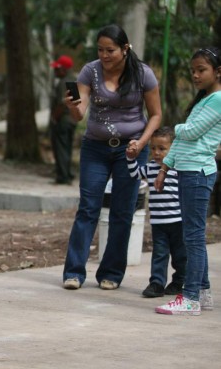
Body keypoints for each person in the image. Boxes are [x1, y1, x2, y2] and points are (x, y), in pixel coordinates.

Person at [62, 24, 162, 291]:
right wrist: (72, 107)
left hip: (131, 149)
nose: (104, 55)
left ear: (125, 49)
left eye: (110, 50)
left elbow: (155, 114)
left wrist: (142, 143)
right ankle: (73, 272)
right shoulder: (90, 71)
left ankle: (111, 273)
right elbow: (80, 113)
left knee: (122, 210)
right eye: (100, 50)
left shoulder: (143, 74)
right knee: (88, 208)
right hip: (95, 148)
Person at [154, 47, 221, 315]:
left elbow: (189, 133)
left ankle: (190, 296)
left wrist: (177, 128)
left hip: (198, 173)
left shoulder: (217, 99)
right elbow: (183, 142)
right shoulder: (205, 100)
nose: (195, 75)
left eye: (201, 70)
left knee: (192, 236)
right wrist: (165, 168)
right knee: (192, 235)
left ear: (218, 72)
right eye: (193, 70)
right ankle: (202, 292)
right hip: (188, 171)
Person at [126, 127, 185, 298]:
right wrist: (130, 158)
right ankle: (157, 283)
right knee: (159, 254)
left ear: (173, 149)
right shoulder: (151, 167)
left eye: (162, 149)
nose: (156, 153)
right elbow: (135, 174)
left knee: (180, 255)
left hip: (178, 221)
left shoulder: (178, 168)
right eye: (153, 148)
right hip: (158, 223)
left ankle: (179, 281)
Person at [49, 55, 78, 185]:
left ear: (64, 69)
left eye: (57, 69)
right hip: (72, 120)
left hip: (63, 120)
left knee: (60, 148)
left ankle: (63, 176)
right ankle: (68, 173)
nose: (55, 71)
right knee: (67, 148)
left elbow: (63, 103)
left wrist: (54, 118)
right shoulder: (73, 81)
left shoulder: (63, 82)